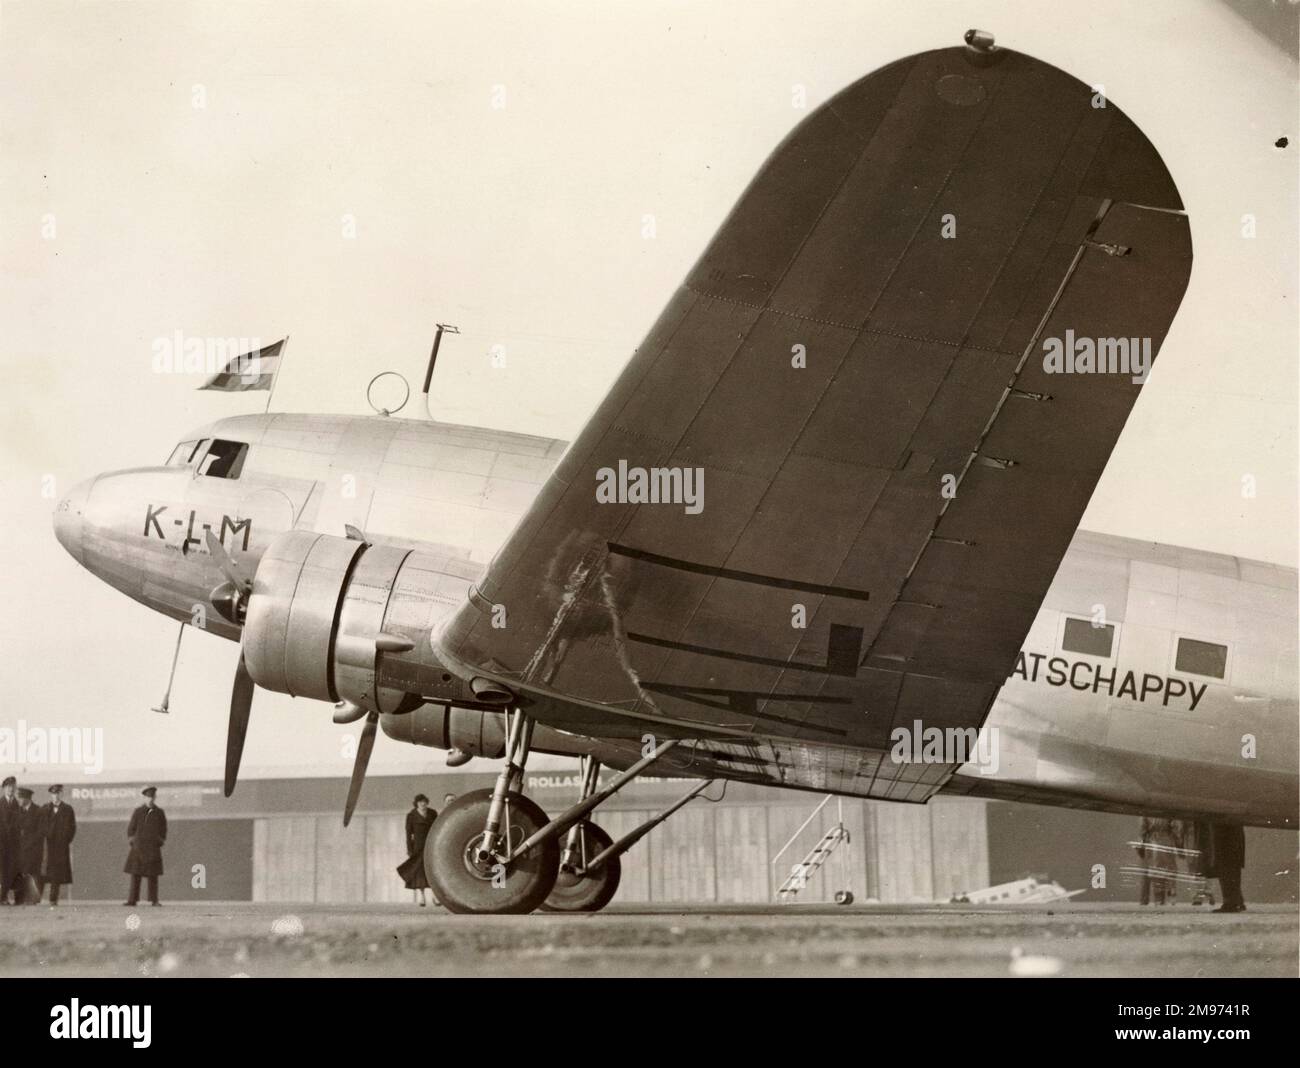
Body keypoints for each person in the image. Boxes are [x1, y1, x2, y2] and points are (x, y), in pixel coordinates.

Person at [123, 786, 166, 907]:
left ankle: (154, 900)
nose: (150, 799)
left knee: (153, 875)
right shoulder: (138, 812)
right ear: (144, 798)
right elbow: (131, 829)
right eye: (148, 797)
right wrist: (134, 842)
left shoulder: (159, 812)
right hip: (138, 849)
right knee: (135, 874)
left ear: (155, 797)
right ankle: (132, 900)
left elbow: (163, 829)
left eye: (152, 797)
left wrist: (160, 841)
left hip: (153, 849)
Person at [398, 794, 437, 907]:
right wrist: (409, 849)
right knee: (420, 872)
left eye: (424, 801)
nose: (423, 804)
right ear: (416, 803)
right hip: (418, 847)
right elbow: (408, 834)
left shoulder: (432, 813)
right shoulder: (411, 815)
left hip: (430, 845)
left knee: (432, 870)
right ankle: (422, 897)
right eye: (420, 802)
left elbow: (437, 828)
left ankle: (435, 896)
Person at [41, 785, 76, 907]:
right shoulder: (45, 809)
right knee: (45, 871)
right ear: (51, 795)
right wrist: (46, 836)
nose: (56, 796)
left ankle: (53, 898)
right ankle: (40, 898)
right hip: (48, 845)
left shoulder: (68, 809)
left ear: (61, 794)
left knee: (57, 873)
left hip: (61, 846)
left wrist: (66, 840)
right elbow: (41, 825)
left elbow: (72, 827)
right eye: (53, 794)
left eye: (58, 793)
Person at [1137, 816, 1180, 905]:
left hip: (1153, 841)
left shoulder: (1146, 813)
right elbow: (1175, 828)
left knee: (1156, 869)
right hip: (1167, 840)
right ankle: (1171, 890)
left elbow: (1143, 830)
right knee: (1169, 867)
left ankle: (1159, 897)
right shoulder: (1167, 810)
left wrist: (1140, 845)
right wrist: (1178, 842)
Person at [13, 788, 45, 905]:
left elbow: (41, 831)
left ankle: (35, 899)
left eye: (21, 798)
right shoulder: (17, 811)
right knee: (20, 874)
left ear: (27, 798)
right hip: (20, 851)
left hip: (34, 851)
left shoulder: (38, 811)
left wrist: (28, 843)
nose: (19, 800)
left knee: (34, 874)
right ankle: (19, 899)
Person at [1209, 823, 1247, 913]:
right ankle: (1236, 900)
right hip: (1231, 830)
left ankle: (1231, 902)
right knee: (1231, 865)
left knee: (1225, 864)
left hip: (1224, 830)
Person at [0, 776, 19, 905]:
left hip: (13, 845)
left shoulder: (17, 804)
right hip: (1, 844)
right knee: (2, 871)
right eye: (8, 787)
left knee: (10, 871)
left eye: (12, 787)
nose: (11, 789)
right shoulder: (0, 803)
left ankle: (4, 897)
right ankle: (2, 897)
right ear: (4, 789)